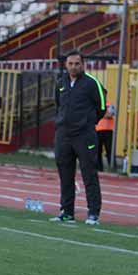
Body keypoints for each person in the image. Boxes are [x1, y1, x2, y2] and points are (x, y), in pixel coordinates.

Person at [51, 51, 107, 225]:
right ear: (66, 65)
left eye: (77, 63)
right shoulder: (61, 83)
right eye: (70, 63)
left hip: (84, 135)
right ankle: (67, 212)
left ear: (83, 64)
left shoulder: (92, 83)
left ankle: (93, 214)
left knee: (89, 174)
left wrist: (87, 123)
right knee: (65, 174)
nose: (73, 67)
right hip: (63, 135)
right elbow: (58, 105)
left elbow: (102, 107)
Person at [95, 101, 115, 171]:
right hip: (98, 130)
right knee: (97, 151)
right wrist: (104, 114)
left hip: (108, 131)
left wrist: (100, 114)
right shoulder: (97, 103)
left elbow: (110, 115)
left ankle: (112, 167)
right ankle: (99, 168)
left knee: (110, 150)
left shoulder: (109, 104)